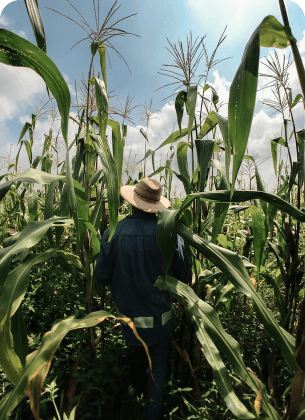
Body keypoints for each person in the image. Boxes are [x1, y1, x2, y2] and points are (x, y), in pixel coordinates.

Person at [95, 177, 190, 420]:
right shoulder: (169, 235)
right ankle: (152, 413)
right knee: (157, 367)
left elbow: (102, 276)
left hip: (128, 322)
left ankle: (127, 402)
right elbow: (184, 278)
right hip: (160, 321)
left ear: (132, 202)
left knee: (134, 359)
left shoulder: (113, 232)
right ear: (157, 205)